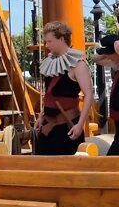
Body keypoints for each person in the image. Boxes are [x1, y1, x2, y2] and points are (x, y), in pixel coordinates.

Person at [34, 21, 93, 155]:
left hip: (67, 127)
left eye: (50, 41)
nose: (47, 45)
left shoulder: (78, 65)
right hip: (47, 128)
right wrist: (41, 117)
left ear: (61, 39)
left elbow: (89, 95)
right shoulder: (50, 63)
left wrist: (80, 125)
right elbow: (50, 96)